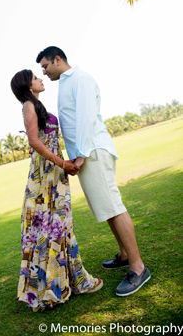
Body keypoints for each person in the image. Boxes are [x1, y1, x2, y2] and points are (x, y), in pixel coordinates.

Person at [36, 46, 151, 297]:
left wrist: (81, 155)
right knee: (105, 207)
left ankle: (138, 267)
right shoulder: (66, 83)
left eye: (45, 66)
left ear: (57, 59)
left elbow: (87, 118)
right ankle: (124, 255)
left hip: (93, 152)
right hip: (87, 153)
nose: (43, 72)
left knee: (113, 205)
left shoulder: (80, 79)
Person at [10, 69, 103, 312]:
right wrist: (62, 163)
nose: (40, 79)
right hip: (45, 176)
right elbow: (34, 141)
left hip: (54, 173)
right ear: (28, 86)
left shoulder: (36, 106)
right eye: (35, 78)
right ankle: (57, 285)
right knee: (51, 226)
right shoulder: (29, 106)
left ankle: (66, 281)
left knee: (59, 225)